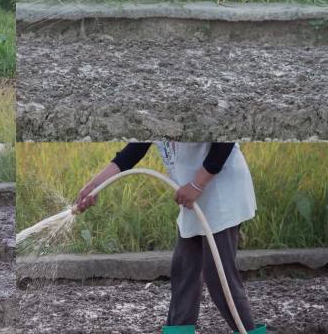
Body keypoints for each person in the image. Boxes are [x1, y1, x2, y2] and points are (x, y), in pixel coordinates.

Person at [75, 142, 265, 334]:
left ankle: (247, 330)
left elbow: (224, 141)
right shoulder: (151, 116)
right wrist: (95, 185)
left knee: (219, 276)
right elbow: (134, 150)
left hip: (220, 191)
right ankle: (179, 330)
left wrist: (197, 184)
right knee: (184, 271)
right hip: (191, 196)